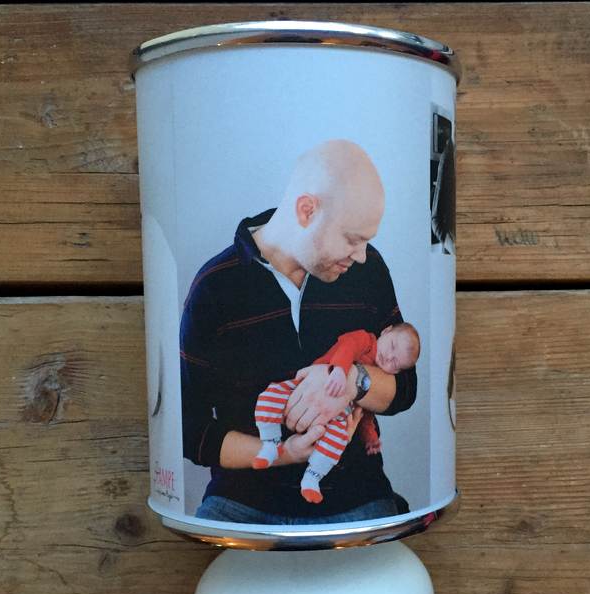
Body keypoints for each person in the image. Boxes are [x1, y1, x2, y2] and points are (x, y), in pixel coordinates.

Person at [180, 139, 417, 525]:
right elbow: (190, 431)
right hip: (241, 500)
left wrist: (352, 381)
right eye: (353, 239)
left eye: (367, 242)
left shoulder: (367, 270)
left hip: (355, 495)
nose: (361, 255)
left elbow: (405, 387)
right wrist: (285, 453)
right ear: (307, 211)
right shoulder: (214, 287)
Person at [253, 322, 421, 504]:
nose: (388, 357)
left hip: (338, 415)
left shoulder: (377, 376)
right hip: (305, 388)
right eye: (392, 346)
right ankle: (270, 444)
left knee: (337, 440)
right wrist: (340, 370)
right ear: (386, 331)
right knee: (269, 396)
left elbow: (366, 415)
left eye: (395, 363)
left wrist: (370, 437)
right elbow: (348, 345)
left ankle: (312, 478)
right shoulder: (366, 340)